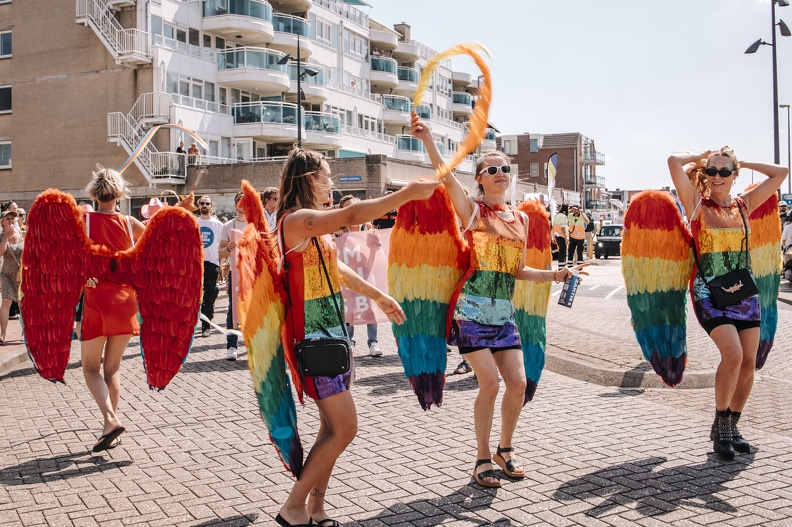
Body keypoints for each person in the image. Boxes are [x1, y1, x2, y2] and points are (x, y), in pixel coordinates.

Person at [412, 114, 588, 488]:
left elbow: (519, 270)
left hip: (504, 316)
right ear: (480, 178)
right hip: (472, 314)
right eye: (491, 169)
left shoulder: (520, 220)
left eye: (504, 168)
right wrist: (429, 141)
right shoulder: (475, 213)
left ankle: (504, 450)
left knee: (519, 384)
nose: (499, 173)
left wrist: (556, 275)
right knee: (489, 384)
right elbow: (445, 178)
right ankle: (480, 458)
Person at [274, 147, 439, 527]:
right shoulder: (297, 220)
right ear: (308, 178)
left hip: (330, 340)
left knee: (331, 428)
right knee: (346, 427)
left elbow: (339, 269)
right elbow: (350, 215)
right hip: (314, 343)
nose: (330, 181)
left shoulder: (312, 229)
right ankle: (293, 507)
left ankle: (315, 508)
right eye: (326, 175)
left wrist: (378, 295)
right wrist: (406, 194)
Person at [668, 147, 787, 460]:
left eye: (724, 172)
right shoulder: (696, 204)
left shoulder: (744, 205)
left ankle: (733, 424)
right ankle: (720, 424)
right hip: (709, 293)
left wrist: (743, 162)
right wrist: (698, 158)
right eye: (712, 171)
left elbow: (781, 172)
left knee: (749, 362)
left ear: (735, 176)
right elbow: (672, 162)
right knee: (733, 355)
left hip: (744, 294)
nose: (716, 177)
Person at [79, 166, 147, 452]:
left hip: (97, 299)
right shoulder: (131, 223)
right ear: (119, 193)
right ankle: (113, 431)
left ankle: (110, 420)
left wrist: (86, 275)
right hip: (125, 299)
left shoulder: (84, 221)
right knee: (113, 370)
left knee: (89, 368)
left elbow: (68, 257)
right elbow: (154, 250)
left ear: (94, 193)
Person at [336, 195, 382, 357]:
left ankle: (373, 342)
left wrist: (374, 247)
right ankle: (349, 341)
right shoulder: (339, 231)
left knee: (370, 310)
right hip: (347, 278)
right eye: (348, 207)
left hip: (366, 274)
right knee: (349, 310)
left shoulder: (367, 229)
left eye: (355, 206)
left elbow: (376, 255)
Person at [219, 191, 247, 361]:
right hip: (235, 273)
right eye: (240, 201)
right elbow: (220, 252)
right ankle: (231, 345)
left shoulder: (255, 224)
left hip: (253, 274)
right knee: (233, 308)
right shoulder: (228, 226)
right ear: (235, 204)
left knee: (254, 307)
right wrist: (229, 248)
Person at [197, 196, 223, 338]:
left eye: (207, 203)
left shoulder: (218, 224)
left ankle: (205, 326)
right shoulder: (194, 222)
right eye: (202, 203)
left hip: (212, 263)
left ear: (211, 206)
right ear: (199, 205)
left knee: (208, 297)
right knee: (196, 296)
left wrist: (222, 261)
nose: (205, 205)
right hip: (196, 264)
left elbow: (222, 244)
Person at [0, 210, 22, 343]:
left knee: (23, 304)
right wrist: (6, 237)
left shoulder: (24, 236)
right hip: (6, 274)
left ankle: (25, 333)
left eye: (13, 218)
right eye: (7, 218)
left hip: (22, 276)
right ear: (2, 222)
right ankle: (3, 333)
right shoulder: (1, 236)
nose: (11, 220)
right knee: (6, 302)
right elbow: (0, 252)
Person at [553, 204, 569, 270]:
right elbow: (563, 228)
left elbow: (553, 227)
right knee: (563, 253)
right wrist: (566, 239)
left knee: (560, 252)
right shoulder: (564, 216)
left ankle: (561, 267)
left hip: (557, 236)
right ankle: (562, 268)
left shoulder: (556, 215)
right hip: (562, 237)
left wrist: (553, 237)